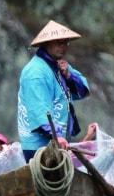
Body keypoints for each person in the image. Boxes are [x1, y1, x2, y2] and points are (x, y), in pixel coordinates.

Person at [17, 19, 90, 161]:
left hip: (57, 142)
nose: (63, 46)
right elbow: (39, 109)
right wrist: (57, 135)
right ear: (46, 43)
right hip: (38, 146)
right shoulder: (36, 72)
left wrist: (69, 76)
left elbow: (84, 91)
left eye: (65, 42)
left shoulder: (58, 66)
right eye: (58, 42)